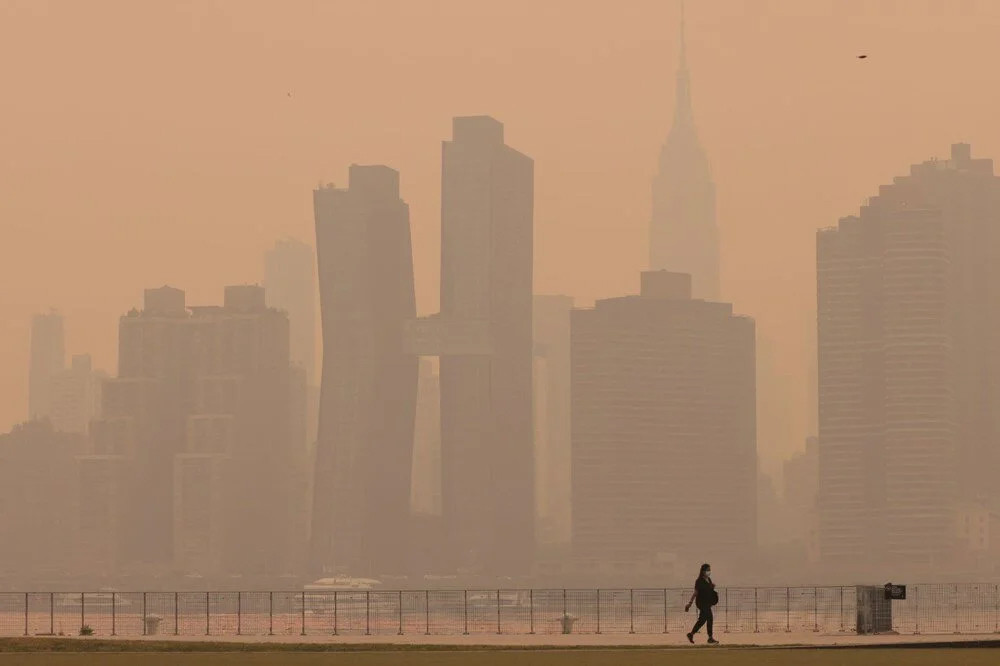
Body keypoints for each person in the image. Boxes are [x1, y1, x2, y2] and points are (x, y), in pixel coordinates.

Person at [685, 563, 719, 644]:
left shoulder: (709, 579)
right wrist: (690, 603)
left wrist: (712, 587)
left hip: (707, 603)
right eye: (707, 570)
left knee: (702, 620)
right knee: (709, 617)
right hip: (701, 603)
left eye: (709, 570)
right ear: (703, 571)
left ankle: (691, 634)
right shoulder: (699, 581)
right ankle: (710, 638)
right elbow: (696, 592)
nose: (709, 571)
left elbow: (709, 590)